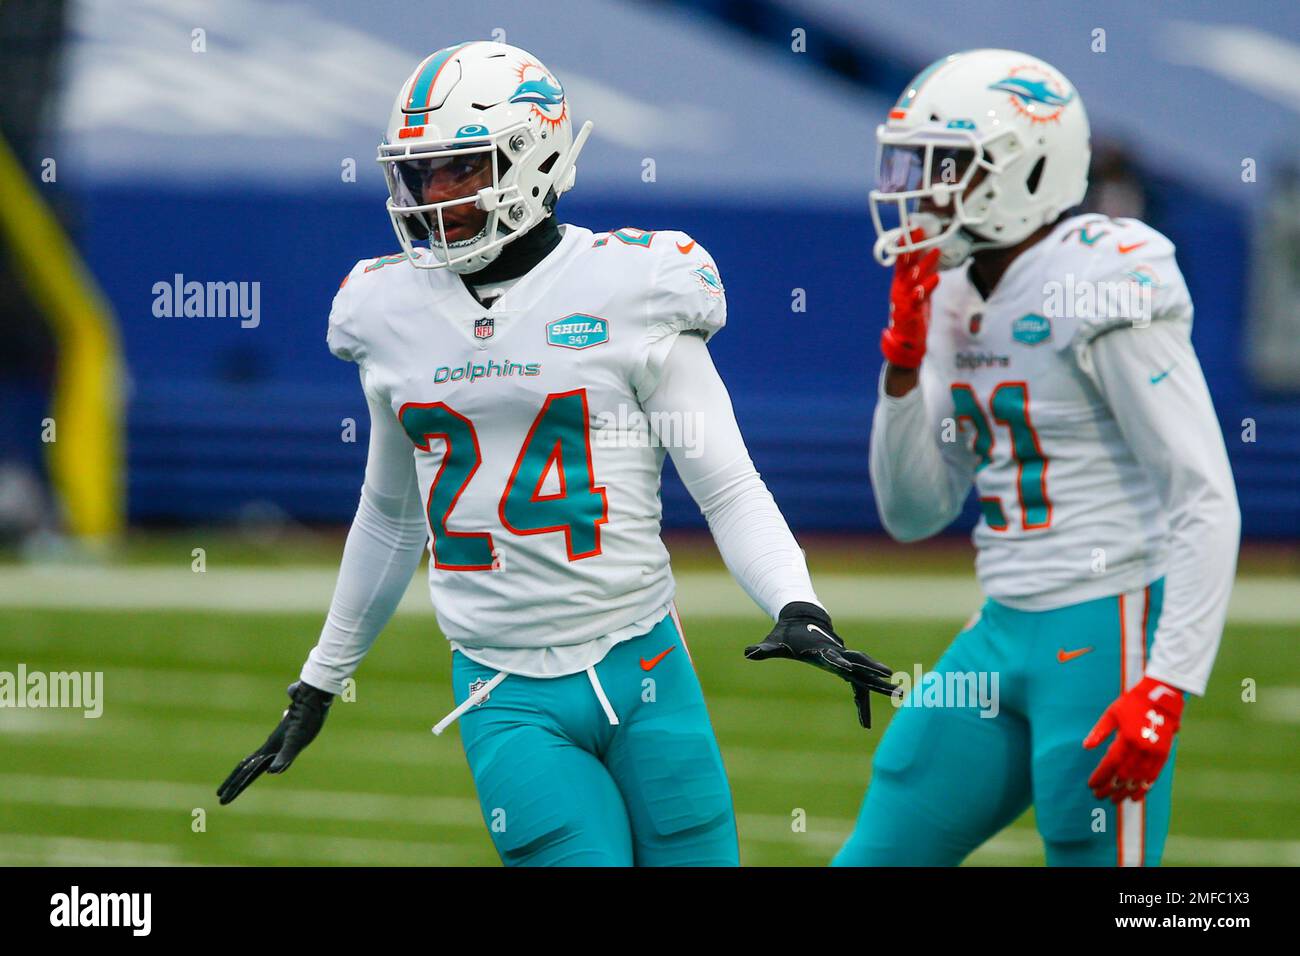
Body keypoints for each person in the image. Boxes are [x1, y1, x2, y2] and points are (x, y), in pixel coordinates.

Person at [216, 41, 895, 867]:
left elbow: (727, 484)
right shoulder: (385, 308)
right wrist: (321, 677)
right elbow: (393, 520)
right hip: (503, 694)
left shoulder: (635, 287)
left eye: (461, 169)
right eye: (421, 174)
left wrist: (798, 603)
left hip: (646, 665)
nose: (436, 196)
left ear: (532, 157)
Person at [837, 49, 1240, 866]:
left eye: (944, 166)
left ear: (1024, 170)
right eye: (914, 164)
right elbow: (912, 515)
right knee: (883, 836)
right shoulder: (949, 290)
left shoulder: (1101, 279)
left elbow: (1204, 495)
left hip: (1104, 626)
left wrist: (1167, 684)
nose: (920, 190)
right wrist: (905, 372)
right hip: (1000, 624)